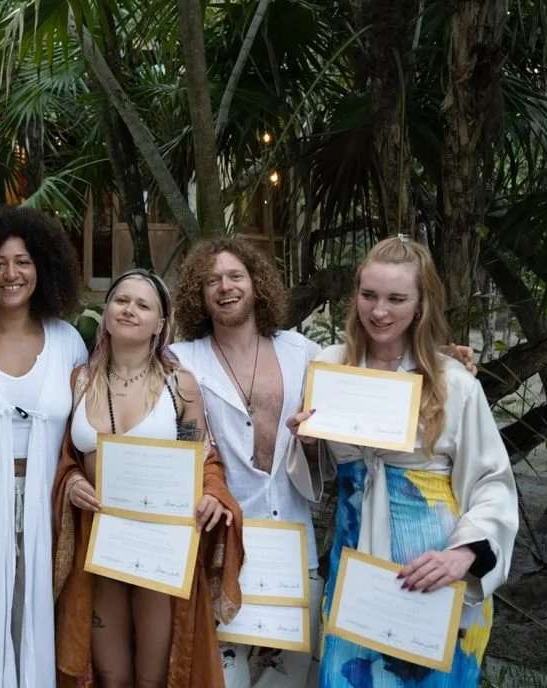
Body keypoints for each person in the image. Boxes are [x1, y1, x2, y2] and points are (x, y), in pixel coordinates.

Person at [288, 235, 517, 687]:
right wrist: (309, 443)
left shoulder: (454, 381)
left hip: (433, 567)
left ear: (420, 305)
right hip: (356, 565)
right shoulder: (331, 366)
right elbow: (322, 473)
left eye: (396, 299)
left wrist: (466, 553)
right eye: (368, 295)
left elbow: (493, 481)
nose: (379, 311)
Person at [54, 268, 243, 688]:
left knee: (154, 675)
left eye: (143, 305)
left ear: (160, 324)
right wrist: (71, 482)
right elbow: (62, 457)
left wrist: (212, 494)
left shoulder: (181, 387)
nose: (129, 310)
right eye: (121, 300)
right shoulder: (79, 381)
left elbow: (204, 460)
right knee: (109, 673)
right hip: (98, 539)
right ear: (105, 312)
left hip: (160, 543)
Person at [0, 205, 88, 688]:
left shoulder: (67, 341)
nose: (11, 274)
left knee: (38, 611)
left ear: (41, 267)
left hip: (47, 502)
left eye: (22, 261)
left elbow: (85, 429)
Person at [168, 239, 323, 688]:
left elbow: (371, 382)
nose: (225, 286)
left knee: (287, 677)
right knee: (225, 675)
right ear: (199, 295)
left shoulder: (303, 352)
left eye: (235, 275)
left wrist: (442, 364)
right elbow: (180, 443)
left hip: (295, 540)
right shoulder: (183, 360)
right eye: (211, 280)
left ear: (257, 285)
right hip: (223, 544)